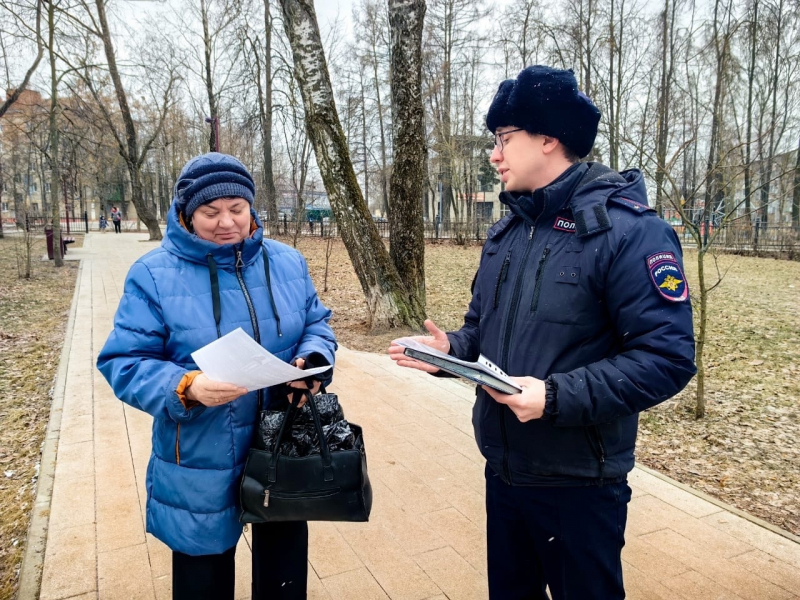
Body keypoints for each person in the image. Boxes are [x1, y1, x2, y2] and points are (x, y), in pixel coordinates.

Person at [389, 65, 696, 600]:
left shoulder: (629, 231)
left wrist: (554, 398)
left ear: (549, 140)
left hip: (579, 484)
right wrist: (450, 352)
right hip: (505, 470)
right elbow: (483, 330)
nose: (495, 154)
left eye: (505, 139)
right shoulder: (509, 230)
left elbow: (666, 358)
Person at [97, 152, 337, 600]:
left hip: (281, 447)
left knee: (283, 576)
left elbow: (316, 324)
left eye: (237, 209)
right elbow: (123, 362)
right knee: (202, 583)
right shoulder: (152, 275)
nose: (227, 222)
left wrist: (313, 361)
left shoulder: (287, 262)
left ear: (253, 208)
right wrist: (187, 388)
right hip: (199, 458)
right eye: (210, 212)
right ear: (187, 215)